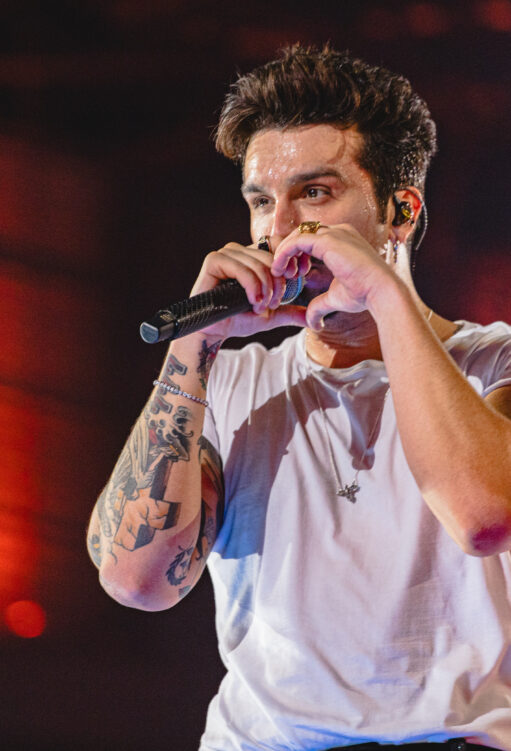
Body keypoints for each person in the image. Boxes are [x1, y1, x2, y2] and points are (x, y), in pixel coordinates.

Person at [87, 45, 511, 751]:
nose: (277, 229)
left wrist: (382, 293)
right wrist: (193, 348)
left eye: (313, 193)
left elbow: (483, 517)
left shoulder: (493, 363)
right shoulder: (228, 383)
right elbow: (137, 580)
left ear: (400, 211)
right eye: (261, 201)